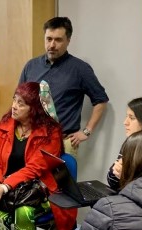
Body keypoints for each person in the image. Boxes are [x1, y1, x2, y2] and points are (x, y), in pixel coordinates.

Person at [0, 82, 77, 230]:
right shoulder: (5, 125)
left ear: (34, 109)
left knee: (23, 212)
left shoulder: (50, 132)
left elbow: (35, 168)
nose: (14, 106)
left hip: (37, 190)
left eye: (21, 103)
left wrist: (6, 185)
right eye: (14, 100)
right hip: (4, 187)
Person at [19, 17, 109, 156]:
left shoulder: (80, 69)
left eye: (58, 40)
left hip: (64, 141)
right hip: (31, 139)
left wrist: (87, 131)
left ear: (68, 41)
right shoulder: (31, 66)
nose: (52, 45)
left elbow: (101, 101)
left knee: (60, 178)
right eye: (49, 39)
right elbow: (20, 100)